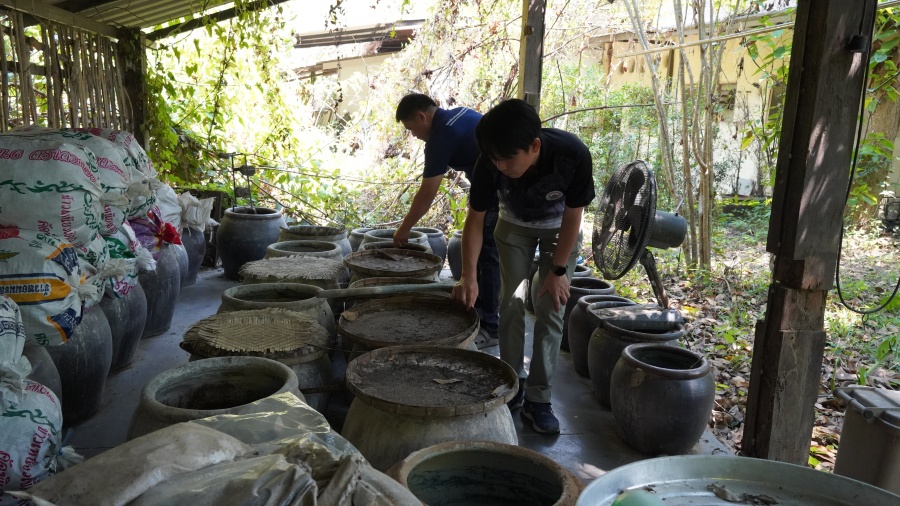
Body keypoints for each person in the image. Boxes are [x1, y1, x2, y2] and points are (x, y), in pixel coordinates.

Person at [451, 98, 595, 435]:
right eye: (494, 159)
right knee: (511, 304)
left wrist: (557, 272)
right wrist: (468, 275)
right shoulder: (489, 162)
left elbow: (574, 216)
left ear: (534, 146)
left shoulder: (572, 154)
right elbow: (475, 220)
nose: (500, 166)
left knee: (551, 309)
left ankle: (539, 399)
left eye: (507, 158)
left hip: (559, 230)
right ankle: (512, 381)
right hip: (513, 226)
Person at [394, 93, 500, 347]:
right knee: (484, 252)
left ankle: (490, 327)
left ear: (422, 116)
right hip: (495, 181)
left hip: (498, 185)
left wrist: (404, 229)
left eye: (411, 128)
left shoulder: (441, 138)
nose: (414, 135)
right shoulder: (461, 113)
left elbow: (427, 194)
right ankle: (482, 310)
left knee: (487, 254)